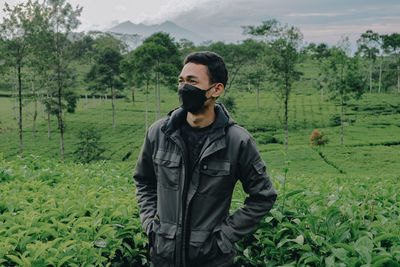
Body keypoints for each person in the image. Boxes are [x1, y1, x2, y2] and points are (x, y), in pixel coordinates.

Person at [133, 51, 277, 267]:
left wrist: (224, 237)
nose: (184, 88)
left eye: (192, 81)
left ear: (216, 89)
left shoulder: (237, 141)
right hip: (164, 256)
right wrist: (151, 226)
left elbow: (263, 196)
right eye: (181, 81)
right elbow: (144, 181)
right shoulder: (159, 133)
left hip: (212, 259)